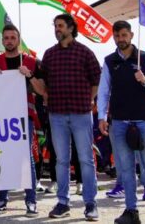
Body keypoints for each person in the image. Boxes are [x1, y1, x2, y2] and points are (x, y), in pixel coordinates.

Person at [97, 21, 145, 224]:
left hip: (144, 120)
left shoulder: (144, 58)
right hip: (119, 121)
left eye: (124, 35)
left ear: (131, 35)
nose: (121, 39)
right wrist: (102, 116)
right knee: (126, 169)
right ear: (114, 37)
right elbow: (103, 91)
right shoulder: (110, 61)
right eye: (117, 35)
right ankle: (131, 211)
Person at [32, 13, 101, 221]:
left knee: (86, 160)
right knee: (60, 161)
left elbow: (97, 79)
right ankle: (63, 202)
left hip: (81, 114)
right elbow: (42, 81)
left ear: (71, 28)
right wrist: (39, 87)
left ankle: (91, 203)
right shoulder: (49, 54)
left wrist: (89, 99)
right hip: (57, 115)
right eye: (55, 26)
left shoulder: (85, 52)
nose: (57, 29)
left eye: (60, 26)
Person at [0, 24, 40, 216]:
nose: (9, 41)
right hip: (2, 117)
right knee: (2, 157)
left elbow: (42, 90)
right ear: (2, 40)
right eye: (6, 38)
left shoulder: (31, 62)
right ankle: (2, 199)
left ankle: (31, 201)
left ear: (18, 39)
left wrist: (29, 75)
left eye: (13, 37)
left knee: (26, 159)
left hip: (25, 116)